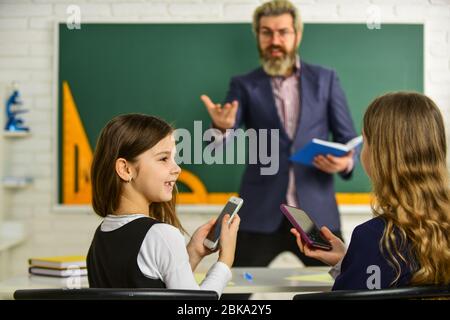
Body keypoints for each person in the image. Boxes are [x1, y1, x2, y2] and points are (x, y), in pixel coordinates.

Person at [201, 0, 358, 269]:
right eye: (266, 32)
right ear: (258, 36)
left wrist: (345, 162)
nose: (275, 40)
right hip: (259, 214)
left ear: (297, 34)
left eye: (282, 32)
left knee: (340, 289)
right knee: (232, 289)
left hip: (315, 215)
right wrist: (221, 127)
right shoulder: (244, 84)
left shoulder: (326, 79)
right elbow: (215, 147)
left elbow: (349, 140)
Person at [291, 92, 450, 289]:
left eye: (364, 142)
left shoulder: (373, 238)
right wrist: (349, 260)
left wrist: (359, 257)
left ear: (379, 155)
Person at [86, 114, 240, 297]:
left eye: (174, 158)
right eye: (163, 159)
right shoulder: (162, 235)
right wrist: (225, 261)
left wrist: (193, 253)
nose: (177, 168)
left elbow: (154, 286)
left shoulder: (101, 235)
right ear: (126, 169)